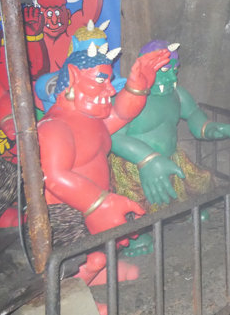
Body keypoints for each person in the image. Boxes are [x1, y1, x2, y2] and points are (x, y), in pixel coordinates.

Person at [37, 42, 170, 285]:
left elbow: (120, 115)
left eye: (109, 81)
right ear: (74, 77)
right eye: (101, 80)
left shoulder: (89, 119)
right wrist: (99, 204)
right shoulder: (54, 127)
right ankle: (69, 291)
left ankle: (94, 268)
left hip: (96, 206)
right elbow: (54, 176)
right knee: (90, 258)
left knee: (104, 250)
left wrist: (137, 87)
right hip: (67, 213)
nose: (109, 89)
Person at [109, 40, 230, 256]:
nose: (172, 78)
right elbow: (112, 136)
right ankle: (134, 235)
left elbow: (194, 116)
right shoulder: (129, 99)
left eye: (174, 70)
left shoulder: (177, 94)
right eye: (164, 71)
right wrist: (147, 160)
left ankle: (184, 211)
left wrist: (211, 128)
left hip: (172, 158)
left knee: (199, 182)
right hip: (134, 164)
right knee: (133, 201)